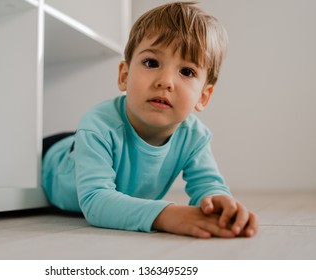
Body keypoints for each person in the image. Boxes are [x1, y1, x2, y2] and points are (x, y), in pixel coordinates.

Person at [42, 1, 258, 238]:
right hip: (52, 155)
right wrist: (167, 214)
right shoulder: (98, 125)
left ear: (203, 97)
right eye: (151, 63)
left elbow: (208, 185)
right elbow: (95, 201)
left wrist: (220, 205)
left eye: (186, 72)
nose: (165, 81)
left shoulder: (194, 137)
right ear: (124, 76)